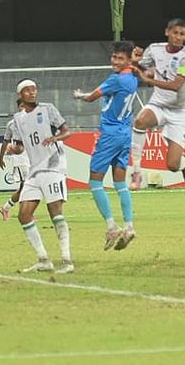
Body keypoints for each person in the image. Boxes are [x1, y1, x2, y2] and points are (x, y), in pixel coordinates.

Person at [74, 40, 140, 250]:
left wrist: (80, 95)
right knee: (120, 184)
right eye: (114, 57)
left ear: (128, 60)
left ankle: (111, 226)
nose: (115, 61)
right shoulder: (133, 79)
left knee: (95, 182)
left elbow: (92, 97)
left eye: (120, 58)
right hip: (124, 135)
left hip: (110, 135)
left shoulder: (116, 79)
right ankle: (129, 226)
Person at [128, 18, 185, 190]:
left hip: (181, 111)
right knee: (140, 121)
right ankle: (136, 173)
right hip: (159, 104)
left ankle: (184, 164)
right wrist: (135, 60)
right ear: (167, 32)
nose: (178, 37)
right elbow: (140, 65)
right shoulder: (154, 49)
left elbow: (176, 85)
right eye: (175, 32)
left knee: (172, 165)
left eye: (182, 34)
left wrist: (148, 79)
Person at [8, 79, 74, 274]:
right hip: (35, 170)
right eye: (27, 90)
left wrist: (55, 138)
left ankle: (67, 260)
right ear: (20, 95)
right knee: (24, 214)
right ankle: (44, 259)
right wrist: (15, 149)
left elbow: (66, 132)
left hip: (53, 167)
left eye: (34, 89)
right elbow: (20, 145)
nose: (32, 93)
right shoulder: (17, 120)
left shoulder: (48, 109)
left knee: (56, 212)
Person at [0, 95, 29, 221]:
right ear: (18, 107)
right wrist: (1, 157)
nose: (23, 109)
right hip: (20, 159)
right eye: (21, 106)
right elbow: (5, 140)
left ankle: (5, 208)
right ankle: (25, 213)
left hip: (30, 159)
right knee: (26, 187)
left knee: (24, 188)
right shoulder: (12, 123)